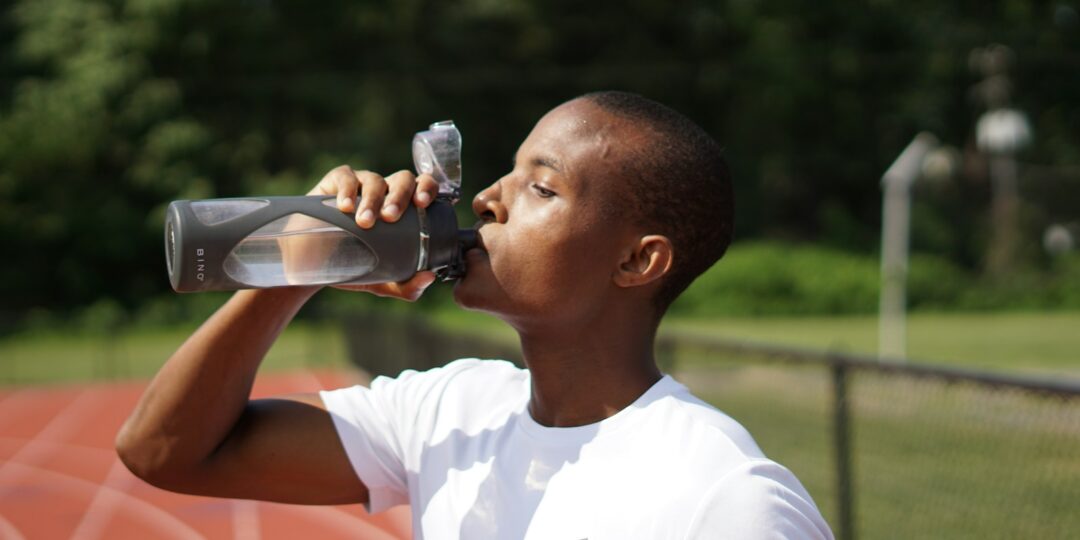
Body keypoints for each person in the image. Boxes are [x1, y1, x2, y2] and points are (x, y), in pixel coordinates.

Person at [117, 91, 833, 539]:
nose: (489, 198)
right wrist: (303, 258)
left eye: (542, 188)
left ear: (636, 262)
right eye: (507, 172)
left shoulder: (724, 498)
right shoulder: (452, 410)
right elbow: (163, 451)